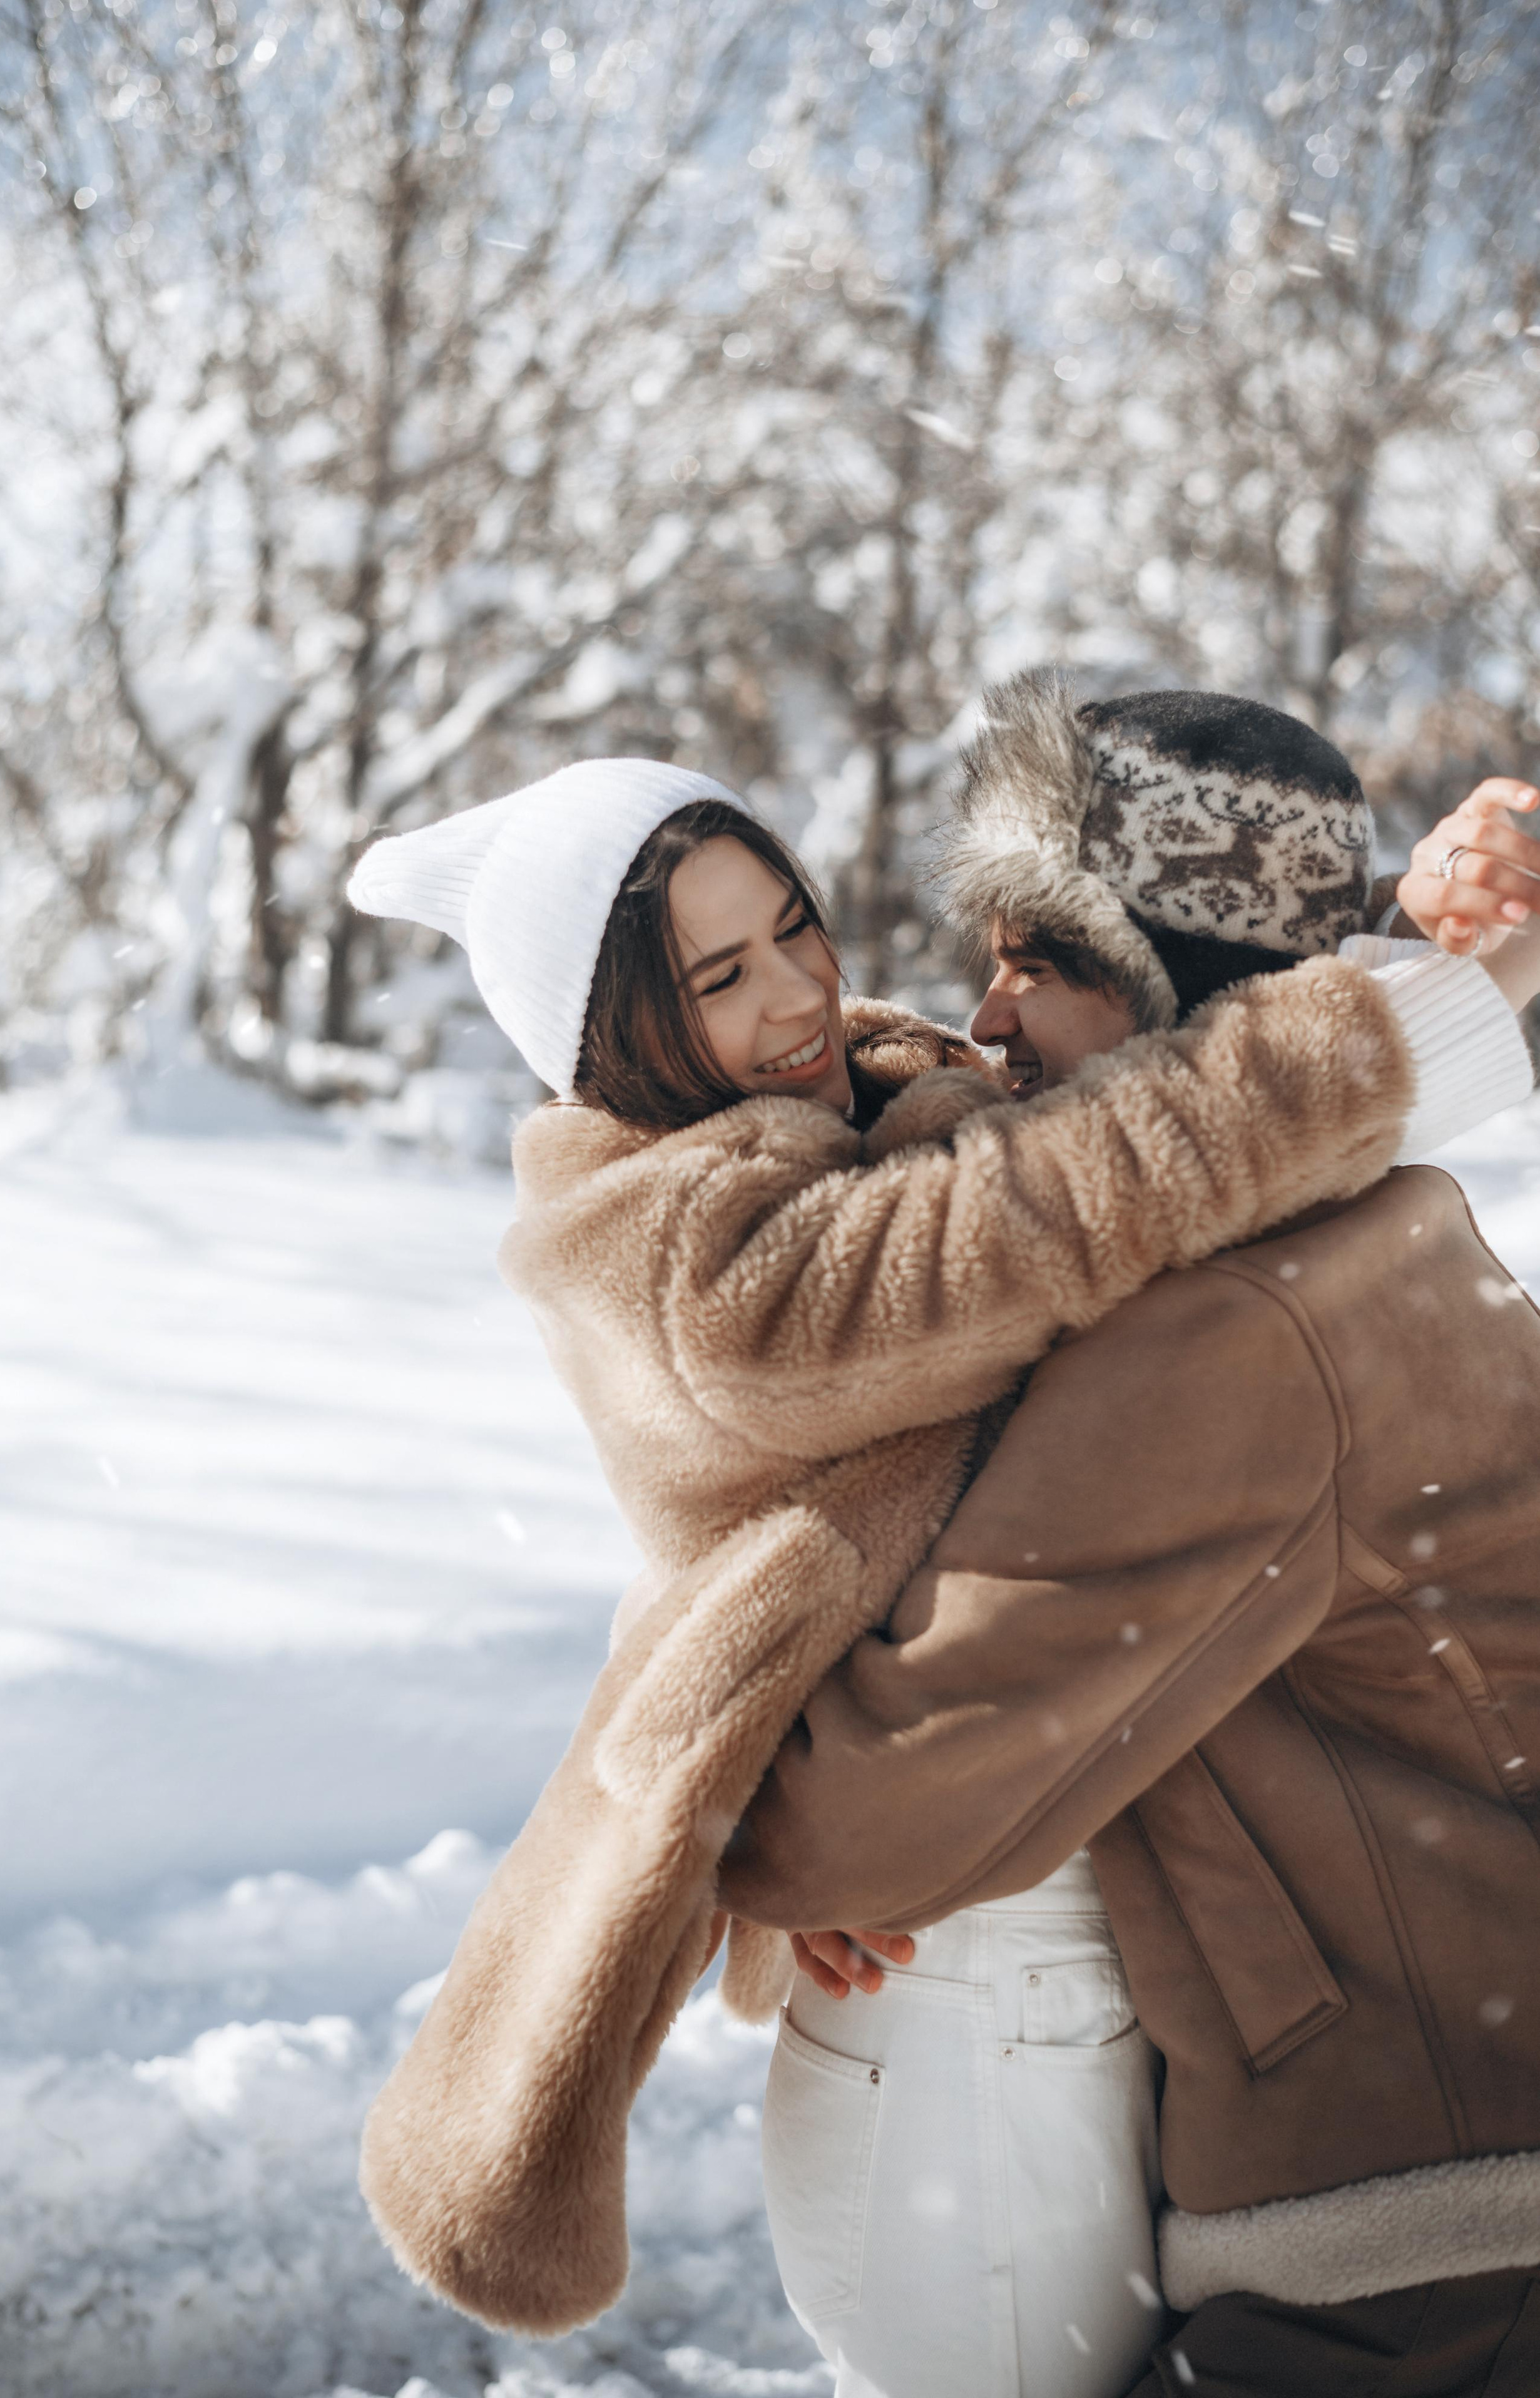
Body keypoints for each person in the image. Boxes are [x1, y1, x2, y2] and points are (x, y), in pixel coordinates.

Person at [341, 717, 1528, 2368]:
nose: (812, 999)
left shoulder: (1222, 1312)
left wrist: (1400, 951)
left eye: (795, 930)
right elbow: (1039, 1198)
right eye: (713, 980)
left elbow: (1140, 1096)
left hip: (1366, 2181)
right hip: (1205, 2087)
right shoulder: (729, 1261)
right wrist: (1407, 994)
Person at [719, 676, 1540, 2398]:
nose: (988, 1005)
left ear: (1191, 992)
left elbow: (894, 1795)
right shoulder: (1377, 1219)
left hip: (1420, 2225)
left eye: (1053, 960)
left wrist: (766, 1839)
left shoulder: (1230, 1329)